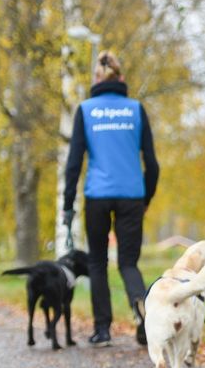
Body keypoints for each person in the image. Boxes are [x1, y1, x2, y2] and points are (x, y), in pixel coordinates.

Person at [64, 51, 160, 347]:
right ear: (121, 78)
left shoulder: (86, 110)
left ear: (96, 79)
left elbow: (73, 162)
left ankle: (102, 330)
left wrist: (68, 205)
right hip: (131, 194)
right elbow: (152, 163)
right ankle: (144, 315)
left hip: (98, 196)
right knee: (128, 262)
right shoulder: (135, 109)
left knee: (97, 262)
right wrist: (146, 197)